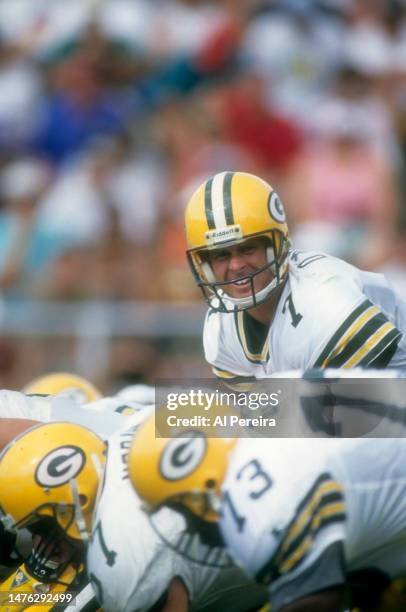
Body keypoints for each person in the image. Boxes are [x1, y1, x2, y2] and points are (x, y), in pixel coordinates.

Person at [128, 388, 406, 612]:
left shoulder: (255, 503)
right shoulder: (275, 402)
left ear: (205, 480)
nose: (189, 528)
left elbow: (316, 600)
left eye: (180, 509)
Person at [184, 171, 406, 382]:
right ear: (205, 264)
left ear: (275, 246)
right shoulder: (221, 327)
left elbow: (357, 410)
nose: (236, 265)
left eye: (247, 249)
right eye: (221, 255)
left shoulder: (324, 300)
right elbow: (257, 414)